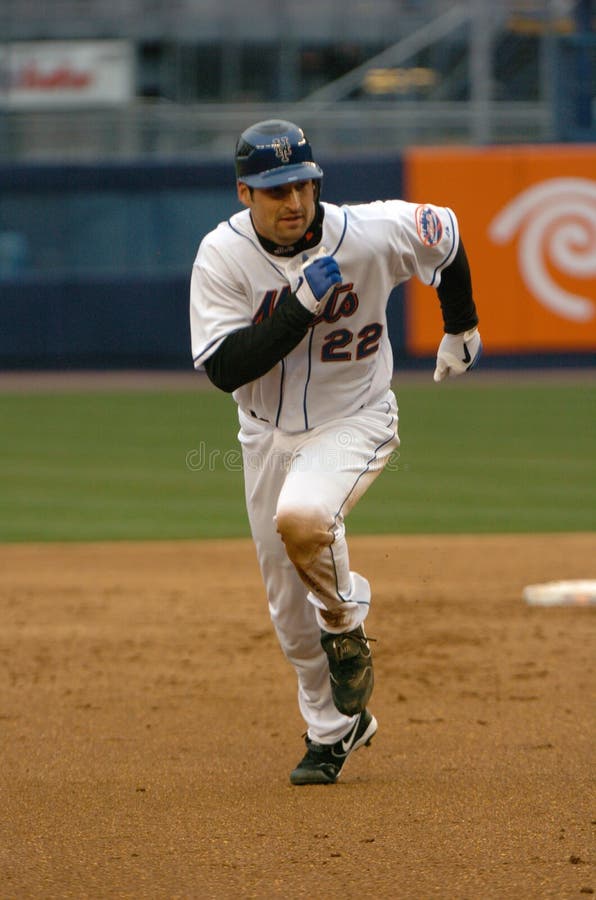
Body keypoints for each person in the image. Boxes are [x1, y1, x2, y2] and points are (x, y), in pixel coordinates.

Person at [190, 119, 481, 785]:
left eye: (302, 185)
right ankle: (336, 728)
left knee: (304, 517)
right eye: (274, 190)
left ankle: (347, 624)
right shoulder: (222, 256)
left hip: (354, 418)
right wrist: (295, 308)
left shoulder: (371, 231)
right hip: (262, 430)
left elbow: (448, 232)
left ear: (318, 183)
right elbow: (226, 369)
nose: (292, 201)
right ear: (244, 193)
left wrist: (461, 324)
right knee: (291, 620)